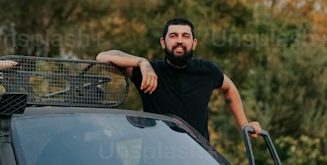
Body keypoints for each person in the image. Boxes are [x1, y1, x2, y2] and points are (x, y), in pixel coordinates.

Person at [97, 17, 262, 144]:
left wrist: (243, 123)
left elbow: (229, 88)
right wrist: (142, 62)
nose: (180, 41)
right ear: (163, 42)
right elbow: (102, 57)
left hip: (200, 160)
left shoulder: (207, 71)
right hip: (157, 163)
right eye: (173, 36)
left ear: (194, 43)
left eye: (185, 36)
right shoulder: (147, 71)